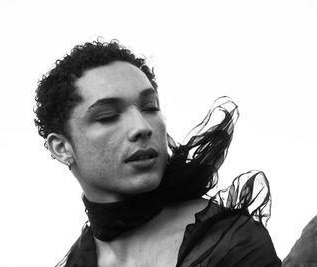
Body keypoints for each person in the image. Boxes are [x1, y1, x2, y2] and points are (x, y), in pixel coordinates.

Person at [34, 40, 281, 267]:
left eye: (150, 107)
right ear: (62, 148)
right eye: (108, 116)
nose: (142, 127)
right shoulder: (78, 261)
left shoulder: (229, 240)